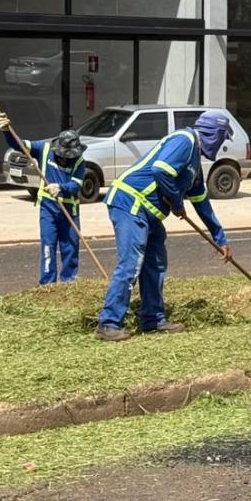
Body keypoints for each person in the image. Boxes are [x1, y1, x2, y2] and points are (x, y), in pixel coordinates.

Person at [94, 111, 234, 342]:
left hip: (149, 213)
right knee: (131, 263)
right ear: (214, 134)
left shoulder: (194, 164)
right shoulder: (185, 140)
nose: (220, 144)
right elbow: (161, 170)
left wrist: (220, 238)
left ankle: (153, 320)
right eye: (221, 138)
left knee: (156, 263)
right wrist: (177, 202)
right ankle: (108, 323)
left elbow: (201, 201)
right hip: (131, 202)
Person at [0, 112, 86, 286]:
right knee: (48, 246)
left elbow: (76, 185)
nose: (66, 158)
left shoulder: (79, 160)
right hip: (48, 209)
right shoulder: (44, 149)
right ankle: (48, 284)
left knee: (70, 248)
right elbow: (20, 145)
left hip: (70, 211)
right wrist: (7, 131)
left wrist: (61, 187)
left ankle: (69, 283)